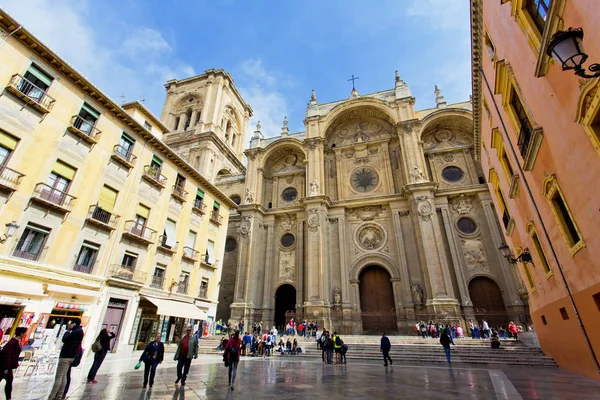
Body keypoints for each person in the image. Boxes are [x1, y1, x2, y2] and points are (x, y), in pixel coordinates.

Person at [48, 319, 84, 400]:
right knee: (64, 376)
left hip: (66, 356)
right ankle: (60, 395)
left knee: (59, 377)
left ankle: (52, 396)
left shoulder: (75, 332)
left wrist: (67, 331)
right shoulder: (79, 331)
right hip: (71, 356)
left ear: (74, 324)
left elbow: (64, 339)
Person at [0, 327, 26, 400]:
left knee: (9, 381)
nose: (24, 335)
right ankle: (8, 398)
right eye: (24, 333)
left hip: (7, 366)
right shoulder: (12, 343)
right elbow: (7, 355)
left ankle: (8, 398)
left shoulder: (15, 342)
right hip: (5, 367)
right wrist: (5, 368)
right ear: (21, 333)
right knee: (8, 382)